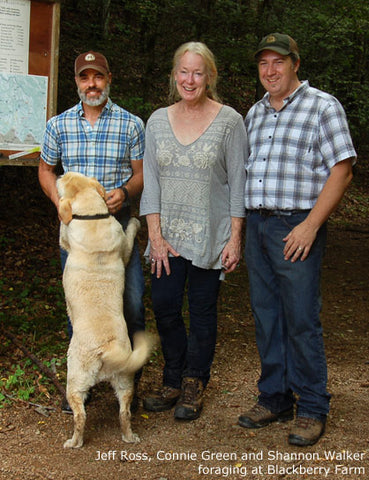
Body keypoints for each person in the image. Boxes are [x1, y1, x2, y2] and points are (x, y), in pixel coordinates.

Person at [239, 33, 356, 446]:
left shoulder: (322, 106)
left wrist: (310, 226)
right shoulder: (254, 114)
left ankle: (311, 406)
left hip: (296, 225)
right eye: (263, 64)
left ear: (295, 64)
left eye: (278, 62)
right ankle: (274, 397)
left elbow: (342, 169)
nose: (270, 71)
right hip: (258, 224)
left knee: (301, 318)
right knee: (267, 315)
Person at [140, 41, 247, 420]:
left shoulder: (230, 121)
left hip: (211, 236)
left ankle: (194, 382)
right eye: (183, 72)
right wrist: (154, 235)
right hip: (165, 237)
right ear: (174, 75)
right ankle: (172, 376)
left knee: (202, 312)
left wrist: (235, 239)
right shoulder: (156, 121)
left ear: (210, 77)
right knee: (165, 308)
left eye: (197, 72)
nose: (190, 79)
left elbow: (238, 184)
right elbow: (150, 182)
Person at [38, 51, 146, 412]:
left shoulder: (131, 124)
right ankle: (80, 385)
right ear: (76, 83)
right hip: (77, 233)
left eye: (97, 76)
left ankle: (127, 385)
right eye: (85, 78)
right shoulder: (59, 125)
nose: (92, 84)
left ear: (109, 78)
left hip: (114, 228)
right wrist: (59, 203)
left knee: (129, 304)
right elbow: (45, 170)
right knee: (79, 310)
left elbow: (142, 173)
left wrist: (126, 192)